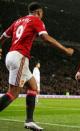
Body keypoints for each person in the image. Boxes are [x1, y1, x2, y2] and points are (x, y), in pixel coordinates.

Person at [0, 2, 74, 131]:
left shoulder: (18, 21)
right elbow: (45, 37)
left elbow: (3, 37)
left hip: (12, 55)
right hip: (20, 57)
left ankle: (29, 121)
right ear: (39, 12)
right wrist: (65, 49)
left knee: (33, 87)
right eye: (42, 14)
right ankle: (29, 120)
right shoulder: (35, 20)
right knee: (13, 93)